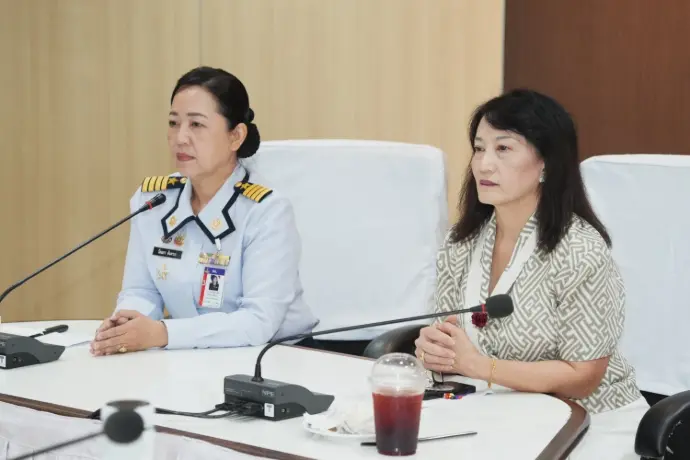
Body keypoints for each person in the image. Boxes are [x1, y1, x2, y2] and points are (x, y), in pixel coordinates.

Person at [413, 89, 648, 459]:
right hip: (498, 412)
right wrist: (434, 351)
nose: (484, 164)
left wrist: (478, 366)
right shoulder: (461, 242)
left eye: (503, 149)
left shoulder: (580, 251)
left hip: (590, 421)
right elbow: (452, 342)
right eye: (479, 148)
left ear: (546, 164)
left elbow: (583, 377)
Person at [90, 66, 318, 355]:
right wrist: (127, 323)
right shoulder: (153, 202)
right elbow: (142, 291)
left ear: (236, 136)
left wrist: (163, 333)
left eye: (196, 124)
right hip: (190, 354)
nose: (180, 138)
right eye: (173, 123)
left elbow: (259, 322)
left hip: (275, 358)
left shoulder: (266, 211)